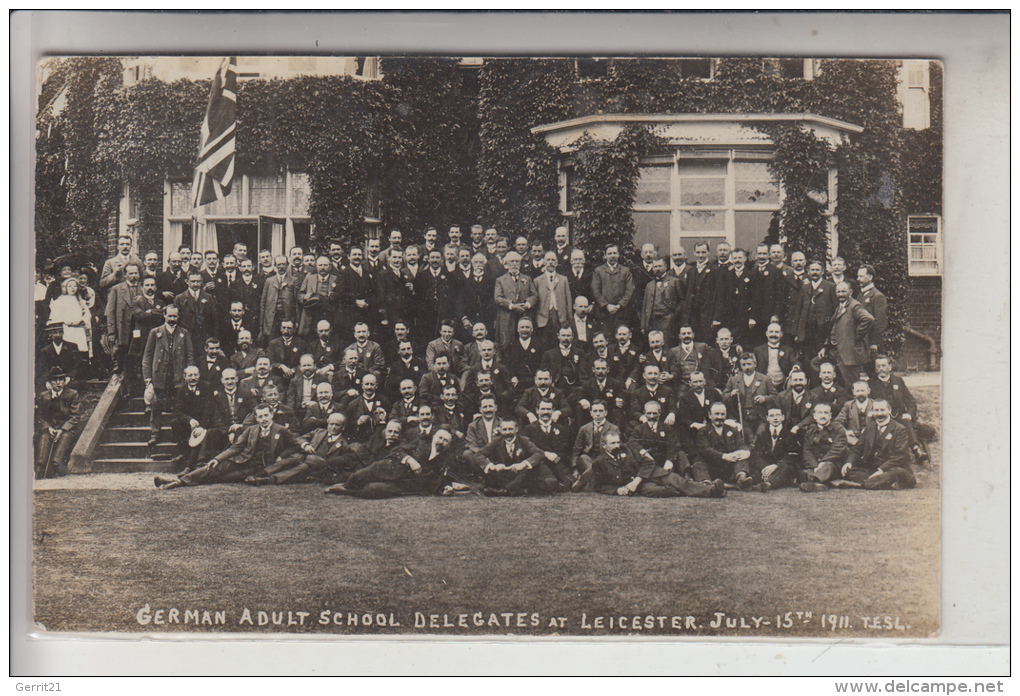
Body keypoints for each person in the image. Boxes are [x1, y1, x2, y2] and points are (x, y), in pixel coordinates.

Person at [155, 403, 316, 490]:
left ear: (271, 415)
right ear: (256, 418)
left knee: (219, 478)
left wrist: (305, 444)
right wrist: (217, 459)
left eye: (266, 415)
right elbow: (235, 448)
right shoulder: (251, 430)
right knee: (213, 468)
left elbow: (296, 439)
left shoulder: (281, 430)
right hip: (240, 460)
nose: (264, 419)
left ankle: (182, 481)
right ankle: (176, 482)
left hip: (256, 470)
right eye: (260, 417)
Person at [325, 424, 455, 499]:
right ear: (434, 437)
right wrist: (409, 460)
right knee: (359, 476)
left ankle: (346, 491)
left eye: (446, 441)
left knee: (372, 490)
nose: (441, 442)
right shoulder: (421, 443)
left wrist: (447, 487)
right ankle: (345, 485)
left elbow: (443, 478)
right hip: (390, 468)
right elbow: (397, 449)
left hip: (404, 484)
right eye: (440, 438)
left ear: (449, 445)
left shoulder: (444, 460)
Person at [591, 429, 724, 498]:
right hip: (639, 487)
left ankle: (712, 491)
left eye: (617, 442)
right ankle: (699, 489)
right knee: (662, 491)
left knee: (677, 480)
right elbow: (598, 486)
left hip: (650, 473)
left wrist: (636, 480)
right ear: (604, 446)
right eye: (612, 443)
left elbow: (648, 462)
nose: (617, 446)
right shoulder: (599, 462)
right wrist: (617, 490)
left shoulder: (629, 447)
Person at [142, 305, 195, 449]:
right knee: (156, 406)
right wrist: (148, 378)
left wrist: (189, 376)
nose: (172, 319)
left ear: (178, 317)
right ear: (164, 316)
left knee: (178, 407)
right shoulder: (155, 332)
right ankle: (155, 434)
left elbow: (190, 357)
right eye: (169, 316)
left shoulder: (184, 333)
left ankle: (178, 436)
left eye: (175, 316)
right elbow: (147, 356)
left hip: (178, 377)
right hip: (160, 376)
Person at [868, 355, 932, 466]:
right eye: (878, 366)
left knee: (906, 421)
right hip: (882, 417)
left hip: (899, 416)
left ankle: (917, 450)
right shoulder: (871, 383)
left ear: (890, 367)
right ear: (875, 368)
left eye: (884, 365)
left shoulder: (897, 380)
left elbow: (910, 400)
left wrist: (909, 414)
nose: (881, 369)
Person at [840, 399, 916, 490]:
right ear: (872, 412)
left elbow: (900, 456)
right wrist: (849, 462)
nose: (879, 414)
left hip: (892, 468)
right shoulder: (870, 427)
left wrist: (881, 470)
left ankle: (862, 484)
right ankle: (879, 482)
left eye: (882, 410)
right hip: (873, 469)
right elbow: (857, 449)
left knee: (895, 473)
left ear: (889, 410)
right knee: (848, 471)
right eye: (876, 410)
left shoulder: (900, 429)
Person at [470, 418, 548, 497]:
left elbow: (539, 453)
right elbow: (478, 455)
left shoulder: (524, 441)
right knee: (488, 470)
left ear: (516, 429)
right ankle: (514, 489)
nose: (507, 432)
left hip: (520, 474)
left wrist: (522, 464)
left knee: (531, 469)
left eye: (510, 429)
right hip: (503, 474)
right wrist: (492, 466)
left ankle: (505, 491)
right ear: (500, 430)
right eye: (504, 429)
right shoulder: (496, 442)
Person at [691, 402, 753, 488]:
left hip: (728, 465)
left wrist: (743, 452)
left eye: (722, 414)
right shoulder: (703, 431)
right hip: (712, 465)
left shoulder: (733, 429)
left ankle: (741, 479)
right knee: (698, 464)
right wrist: (724, 456)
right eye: (716, 414)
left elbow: (741, 444)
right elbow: (705, 450)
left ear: (726, 415)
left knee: (742, 459)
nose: (719, 417)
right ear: (710, 415)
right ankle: (708, 484)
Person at [826, 281, 875, 389]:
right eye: (838, 292)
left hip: (849, 352)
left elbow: (868, 319)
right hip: (838, 350)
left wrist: (857, 336)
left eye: (843, 291)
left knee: (852, 383)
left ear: (850, 292)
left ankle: (853, 403)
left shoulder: (854, 305)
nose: (840, 294)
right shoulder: (840, 306)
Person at [34, 367, 81, 478]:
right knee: (44, 436)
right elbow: (40, 416)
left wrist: (62, 429)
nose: (58, 383)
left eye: (61, 380)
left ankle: (55, 464)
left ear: (65, 382)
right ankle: (40, 465)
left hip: (66, 428)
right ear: (50, 383)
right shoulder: (44, 396)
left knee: (65, 436)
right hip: (50, 427)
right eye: (55, 380)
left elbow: (75, 416)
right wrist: (47, 427)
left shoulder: (72, 394)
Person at [797, 402, 850, 492]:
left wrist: (823, 462)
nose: (823, 416)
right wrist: (815, 466)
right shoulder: (810, 430)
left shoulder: (838, 428)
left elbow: (837, 449)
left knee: (827, 468)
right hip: (815, 465)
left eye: (826, 413)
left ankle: (813, 481)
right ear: (814, 416)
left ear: (830, 416)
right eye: (819, 413)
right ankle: (819, 483)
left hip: (832, 464)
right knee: (805, 471)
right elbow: (807, 450)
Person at [748, 405, 800, 491]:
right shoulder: (762, 435)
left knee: (787, 470)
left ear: (783, 417)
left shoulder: (790, 435)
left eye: (778, 415)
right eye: (772, 416)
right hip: (766, 467)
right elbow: (756, 455)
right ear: (767, 418)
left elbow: (792, 455)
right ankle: (772, 480)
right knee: (753, 470)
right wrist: (765, 468)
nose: (775, 418)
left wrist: (776, 465)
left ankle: (768, 484)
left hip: (780, 466)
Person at [795, 260, 837, 363]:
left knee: (821, 358)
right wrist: (797, 331)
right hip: (807, 330)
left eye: (817, 270)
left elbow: (835, 310)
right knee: (807, 358)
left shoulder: (830, 286)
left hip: (822, 330)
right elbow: (799, 310)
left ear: (822, 271)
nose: (814, 272)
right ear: (808, 271)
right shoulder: (805, 288)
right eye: (812, 270)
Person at [493, 251, 537, 347]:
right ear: (507, 264)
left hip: (524, 315)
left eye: (517, 261)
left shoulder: (527, 279)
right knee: (508, 345)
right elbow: (497, 298)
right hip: (508, 317)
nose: (514, 264)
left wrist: (527, 304)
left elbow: (534, 296)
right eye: (511, 261)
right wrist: (512, 306)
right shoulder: (500, 280)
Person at [105, 262, 142, 379]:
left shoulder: (144, 288)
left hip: (139, 328)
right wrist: (111, 332)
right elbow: (110, 312)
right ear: (125, 275)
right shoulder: (116, 289)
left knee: (137, 355)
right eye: (130, 273)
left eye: (136, 273)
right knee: (123, 357)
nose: (133, 276)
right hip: (123, 329)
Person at [591, 244, 635, 336]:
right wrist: (606, 305)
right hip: (603, 313)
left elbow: (629, 290)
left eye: (614, 253)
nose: (612, 256)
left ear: (618, 255)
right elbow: (595, 290)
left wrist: (619, 305)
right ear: (605, 256)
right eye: (609, 253)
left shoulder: (625, 271)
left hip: (621, 313)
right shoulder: (598, 271)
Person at [641, 256, 683, 346]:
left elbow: (682, 301)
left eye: (660, 266)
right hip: (653, 320)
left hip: (668, 320)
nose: (658, 269)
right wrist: (643, 325)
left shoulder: (674, 281)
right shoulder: (649, 285)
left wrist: (673, 315)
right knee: (654, 345)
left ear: (665, 267)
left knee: (667, 345)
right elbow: (645, 305)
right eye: (655, 267)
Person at [175, 271, 219, 350]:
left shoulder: (209, 297)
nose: (195, 284)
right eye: (193, 281)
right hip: (187, 337)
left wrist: (214, 338)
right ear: (187, 281)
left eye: (198, 281)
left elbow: (214, 319)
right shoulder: (179, 298)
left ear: (201, 282)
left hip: (204, 337)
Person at [49, 276, 92, 357]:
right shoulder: (60, 301)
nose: (72, 288)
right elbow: (55, 315)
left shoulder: (81, 301)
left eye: (75, 286)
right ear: (65, 288)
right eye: (70, 286)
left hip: (79, 329)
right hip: (67, 329)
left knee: (80, 351)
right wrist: (64, 321)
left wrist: (81, 320)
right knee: (68, 352)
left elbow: (87, 314)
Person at [298, 256, 340, 338]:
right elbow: (299, 294)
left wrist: (335, 296)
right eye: (320, 265)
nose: (322, 268)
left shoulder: (336, 279)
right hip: (313, 314)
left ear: (330, 267)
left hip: (329, 313)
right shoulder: (309, 278)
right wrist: (304, 297)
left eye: (325, 265)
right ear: (316, 266)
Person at [686, 242, 719, 343]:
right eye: (698, 252)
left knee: (707, 343)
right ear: (694, 253)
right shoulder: (691, 271)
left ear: (708, 253)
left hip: (708, 314)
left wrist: (716, 317)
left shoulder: (715, 270)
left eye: (703, 252)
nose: (700, 255)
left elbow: (719, 295)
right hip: (694, 315)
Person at [260, 255, 297, 343]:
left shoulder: (293, 280)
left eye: (283, 264)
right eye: (279, 264)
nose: (281, 267)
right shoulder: (269, 281)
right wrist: (261, 323)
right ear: (275, 265)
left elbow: (296, 303)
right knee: (271, 342)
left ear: (287, 265)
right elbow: (263, 302)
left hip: (286, 317)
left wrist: (296, 320)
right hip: (272, 319)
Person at [37, 321, 84, 388]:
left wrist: (69, 377)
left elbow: (78, 365)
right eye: (55, 333)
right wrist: (48, 382)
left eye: (60, 332)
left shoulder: (72, 347)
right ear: (50, 334)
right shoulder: (45, 351)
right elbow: (43, 369)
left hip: (68, 381)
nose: (58, 335)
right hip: (52, 382)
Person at [855, 265, 889, 358]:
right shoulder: (860, 295)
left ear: (870, 277)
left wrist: (874, 342)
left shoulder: (877, 296)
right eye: (858, 276)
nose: (858, 279)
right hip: (862, 340)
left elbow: (880, 322)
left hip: (871, 342)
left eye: (861, 276)